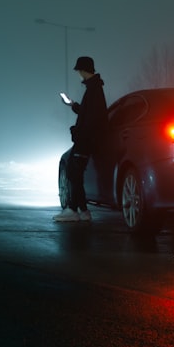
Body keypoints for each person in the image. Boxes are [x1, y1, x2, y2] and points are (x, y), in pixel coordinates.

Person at [54, 56, 107, 223]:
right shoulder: (94, 88)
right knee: (75, 173)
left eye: (78, 71)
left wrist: (78, 133)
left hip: (85, 140)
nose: (78, 74)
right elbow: (88, 112)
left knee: (73, 172)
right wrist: (73, 105)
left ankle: (73, 210)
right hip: (86, 138)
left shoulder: (94, 90)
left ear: (83, 70)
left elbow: (92, 118)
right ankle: (83, 211)